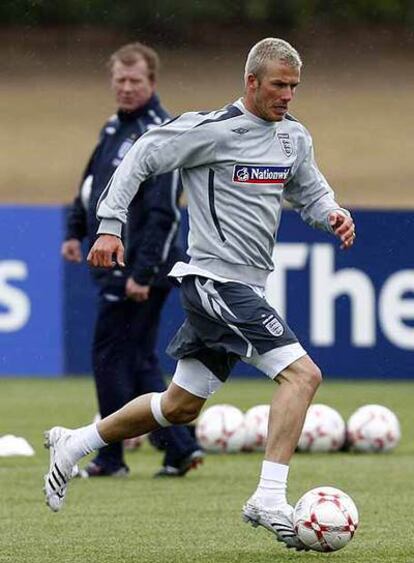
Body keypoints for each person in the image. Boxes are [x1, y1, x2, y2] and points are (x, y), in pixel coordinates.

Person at [44, 38, 355, 550]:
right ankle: (270, 498)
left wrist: (333, 214)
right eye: (278, 85)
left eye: (294, 86)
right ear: (251, 82)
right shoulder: (212, 130)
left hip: (246, 284)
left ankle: (74, 442)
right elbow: (143, 152)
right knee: (303, 375)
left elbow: (310, 192)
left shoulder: (293, 138)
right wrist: (109, 225)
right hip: (214, 281)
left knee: (180, 406)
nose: (287, 96)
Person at [61, 41, 203, 478]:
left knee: (109, 357)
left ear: (152, 82)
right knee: (137, 358)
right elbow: (91, 184)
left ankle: (110, 456)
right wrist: (75, 230)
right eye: (119, 80)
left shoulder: (160, 133)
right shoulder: (113, 128)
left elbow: (163, 212)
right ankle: (179, 448)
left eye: (134, 80)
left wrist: (142, 273)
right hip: (116, 262)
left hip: (140, 268)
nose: (125, 88)